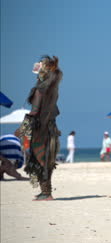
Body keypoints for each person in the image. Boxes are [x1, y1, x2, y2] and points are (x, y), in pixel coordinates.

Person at [15, 55, 62, 201]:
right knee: (47, 161)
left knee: (40, 160)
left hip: (40, 131)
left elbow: (34, 112)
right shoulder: (53, 90)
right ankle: (46, 191)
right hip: (52, 129)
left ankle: (46, 193)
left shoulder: (40, 90)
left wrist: (21, 129)